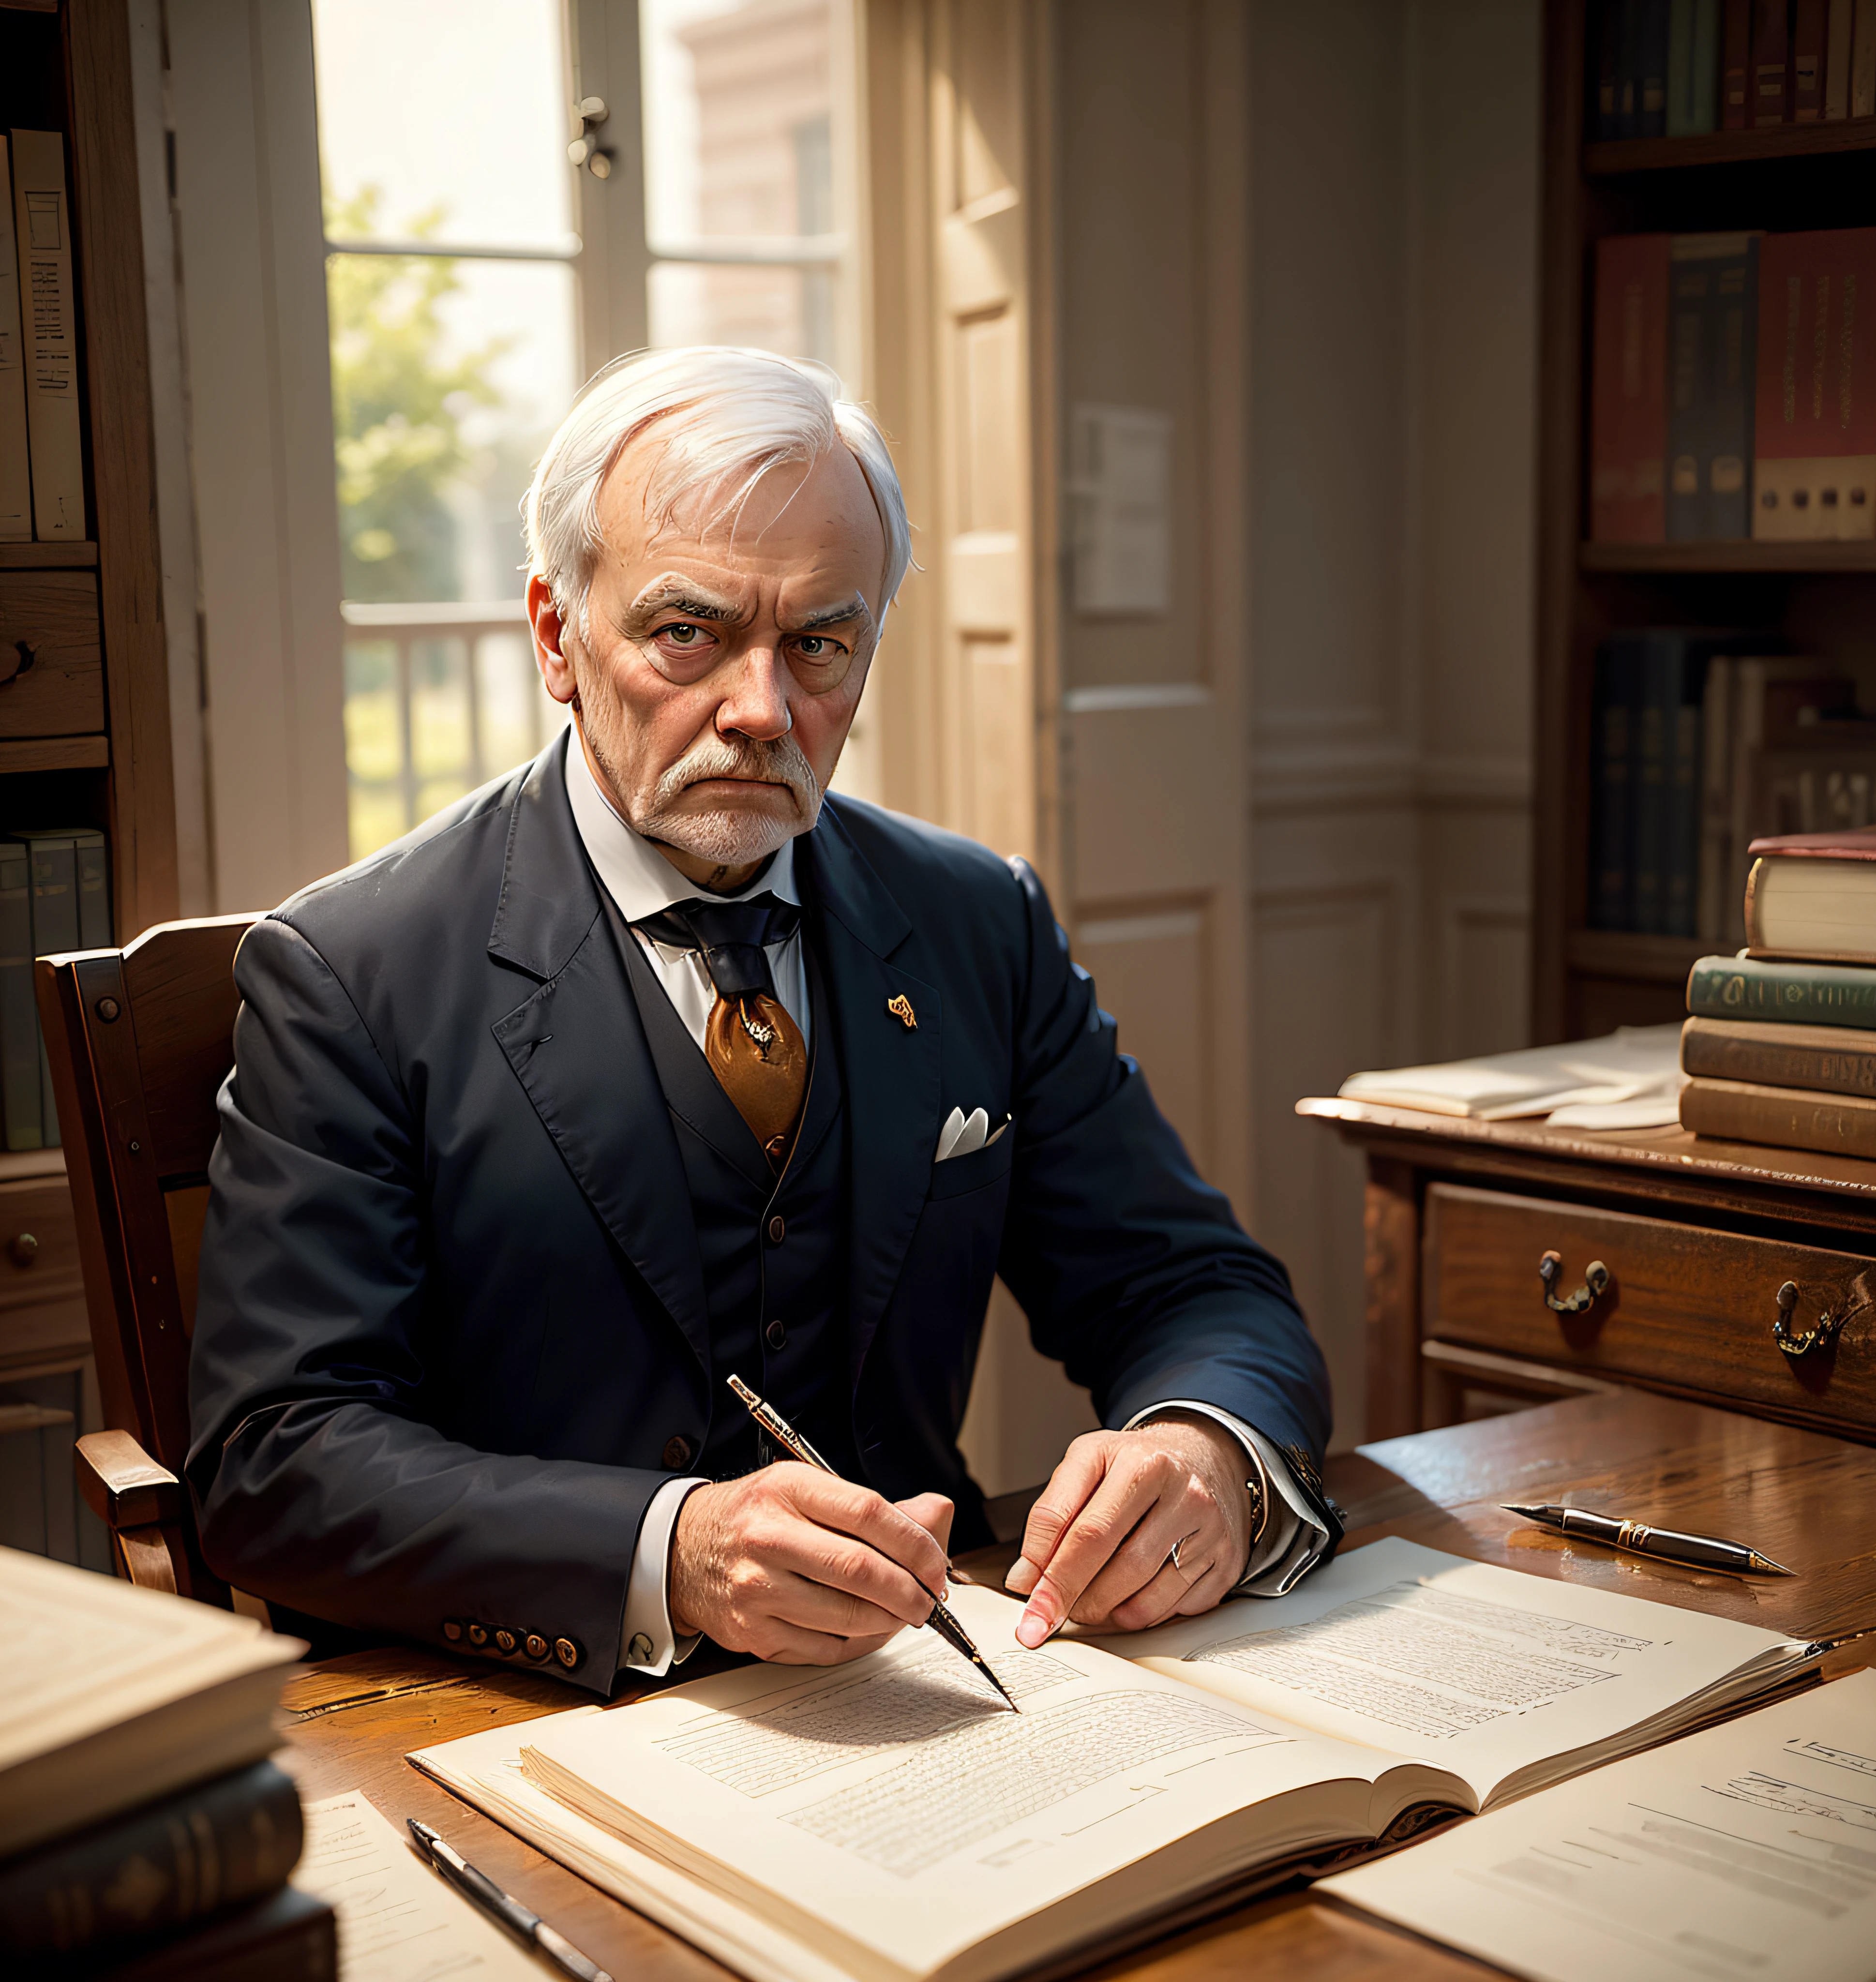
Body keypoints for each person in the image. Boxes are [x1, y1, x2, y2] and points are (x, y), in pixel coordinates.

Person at [186, 346, 1342, 1693]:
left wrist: (1206, 1450)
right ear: (559, 638)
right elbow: (276, 1455)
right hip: (521, 1720)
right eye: (689, 632)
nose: (761, 710)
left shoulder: (979, 921)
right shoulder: (350, 969)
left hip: (956, 1688)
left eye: (819, 644)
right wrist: (665, 1551)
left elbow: (1193, 1289)